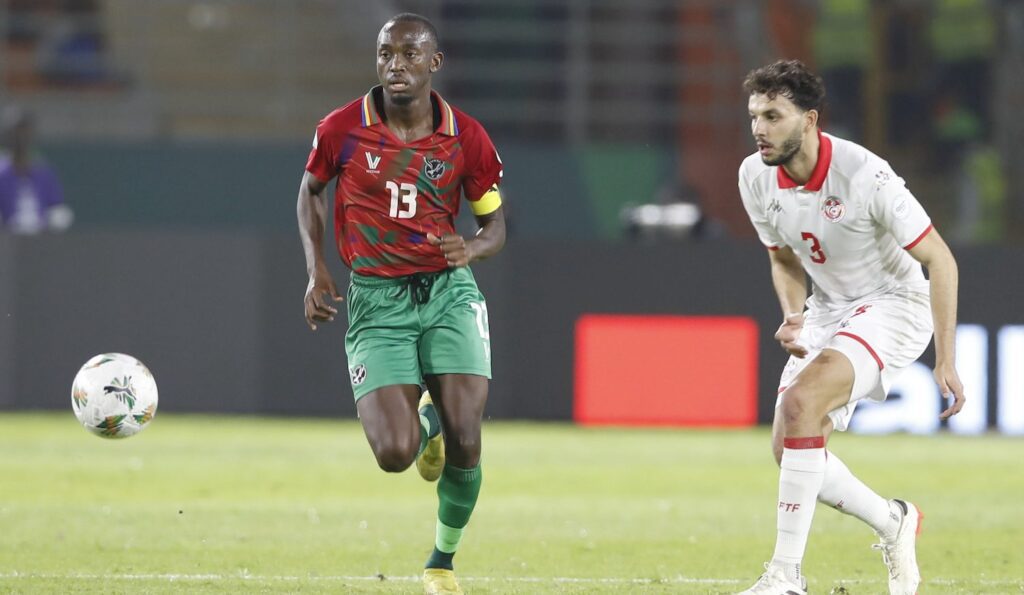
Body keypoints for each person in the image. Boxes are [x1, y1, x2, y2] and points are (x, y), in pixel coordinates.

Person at [735, 60, 965, 595]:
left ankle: (784, 577)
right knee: (789, 446)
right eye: (754, 116)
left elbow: (941, 259)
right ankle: (893, 521)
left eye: (773, 115)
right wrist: (794, 315)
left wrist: (947, 359)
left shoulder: (866, 176)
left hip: (895, 303)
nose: (759, 129)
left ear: (810, 119)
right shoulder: (754, 176)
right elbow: (784, 258)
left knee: (800, 407)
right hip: (829, 309)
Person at [295, 13, 505, 595]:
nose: (396, 65)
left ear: (434, 64)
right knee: (394, 454)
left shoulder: (466, 137)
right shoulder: (341, 129)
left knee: (468, 433)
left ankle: (441, 562)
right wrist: (317, 269)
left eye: (410, 55)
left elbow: (495, 226)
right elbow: (309, 191)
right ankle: (424, 425)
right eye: (387, 54)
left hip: (447, 292)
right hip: (377, 299)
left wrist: (474, 248)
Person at [0, 106, 73, 234]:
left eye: (25, 131)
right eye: (17, 131)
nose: (21, 137)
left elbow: (57, 208)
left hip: (40, 243)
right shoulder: (2, 173)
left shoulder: (44, 173)